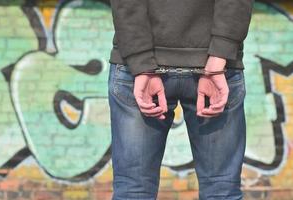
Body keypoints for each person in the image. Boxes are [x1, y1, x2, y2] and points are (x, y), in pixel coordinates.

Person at [108, 0, 254, 199]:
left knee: (134, 191)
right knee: (221, 190)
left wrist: (141, 62)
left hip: (139, 68)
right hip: (216, 67)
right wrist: (219, 55)